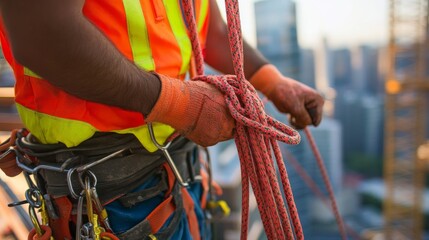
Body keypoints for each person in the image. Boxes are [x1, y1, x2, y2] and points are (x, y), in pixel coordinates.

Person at [0, 0, 324, 239]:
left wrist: (272, 80)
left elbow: (209, 28)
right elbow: (43, 35)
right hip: (104, 191)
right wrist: (182, 105)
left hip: (176, 169)